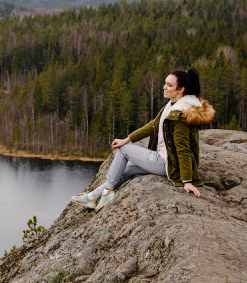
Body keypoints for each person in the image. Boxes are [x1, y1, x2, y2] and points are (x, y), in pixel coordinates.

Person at [71, 69, 215, 211]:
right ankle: (94, 197)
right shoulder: (172, 106)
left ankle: (107, 191)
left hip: (167, 164)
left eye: (169, 85)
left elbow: (183, 148)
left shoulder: (180, 113)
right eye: (165, 83)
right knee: (127, 170)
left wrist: (187, 181)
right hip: (166, 161)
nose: (164, 87)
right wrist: (128, 138)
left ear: (180, 89)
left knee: (124, 150)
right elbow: (152, 125)